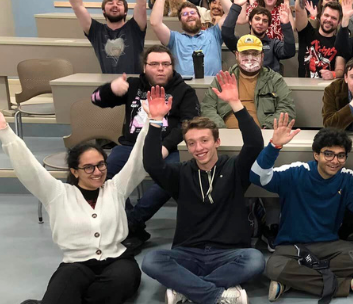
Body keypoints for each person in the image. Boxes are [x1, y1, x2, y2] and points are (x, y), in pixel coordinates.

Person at [141, 73, 265, 304]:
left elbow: (255, 144)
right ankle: (216, 294)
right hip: (188, 253)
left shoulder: (235, 169)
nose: (199, 148)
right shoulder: (180, 174)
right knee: (151, 261)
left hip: (229, 254)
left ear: (217, 142)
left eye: (204, 140)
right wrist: (156, 121)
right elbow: (152, 164)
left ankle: (187, 289)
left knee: (255, 260)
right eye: (191, 143)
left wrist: (235, 103)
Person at [0, 111, 147, 304]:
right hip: (76, 264)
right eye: (88, 167)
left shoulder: (116, 188)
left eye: (101, 165)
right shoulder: (57, 193)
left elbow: (138, 161)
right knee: (63, 290)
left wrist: (152, 122)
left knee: (120, 281)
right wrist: (5, 131)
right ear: (74, 172)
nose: (97, 172)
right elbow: (29, 168)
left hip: (118, 260)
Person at [250, 122, 353, 302]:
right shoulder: (296, 172)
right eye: (328, 154)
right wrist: (274, 146)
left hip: (330, 245)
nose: (335, 161)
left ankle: (292, 281)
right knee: (274, 267)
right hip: (292, 246)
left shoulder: (347, 177)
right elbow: (257, 177)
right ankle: (348, 285)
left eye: (340, 155)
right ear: (316, 154)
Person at [90, 45, 198, 249]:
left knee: (172, 177)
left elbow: (188, 124)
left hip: (167, 149)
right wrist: (110, 89)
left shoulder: (184, 91)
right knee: (104, 174)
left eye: (165, 64)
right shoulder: (132, 85)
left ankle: (131, 223)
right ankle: (129, 223)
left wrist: (165, 146)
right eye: (154, 64)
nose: (160, 68)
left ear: (172, 67)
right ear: (144, 67)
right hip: (130, 146)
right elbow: (95, 99)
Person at [56, 0, 147, 74]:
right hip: (109, 84)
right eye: (110, 3)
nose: (115, 5)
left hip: (136, 83)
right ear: (103, 10)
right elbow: (77, 6)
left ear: (125, 11)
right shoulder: (96, 31)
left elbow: (141, 4)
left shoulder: (135, 28)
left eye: (119, 3)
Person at [201, 35, 296, 129]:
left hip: (263, 133)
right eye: (245, 53)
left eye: (255, 53)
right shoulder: (223, 79)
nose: (250, 58)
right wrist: (220, 130)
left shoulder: (275, 80)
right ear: (237, 55)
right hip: (226, 133)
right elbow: (207, 107)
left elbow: (287, 108)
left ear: (262, 56)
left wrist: (267, 127)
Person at [151, 0, 233, 77]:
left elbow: (230, 13)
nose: (189, 15)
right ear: (180, 20)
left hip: (212, 85)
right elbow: (155, 23)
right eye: (185, 14)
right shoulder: (174, 39)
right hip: (183, 85)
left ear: (199, 17)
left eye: (192, 13)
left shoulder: (214, 34)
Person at [222, 0, 295, 73]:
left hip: (269, 80)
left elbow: (289, 52)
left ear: (268, 25)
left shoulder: (273, 44)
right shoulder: (242, 42)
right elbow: (226, 33)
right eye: (257, 19)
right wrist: (236, 6)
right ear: (250, 21)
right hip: (245, 79)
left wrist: (286, 24)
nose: (260, 23)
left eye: (265, 21)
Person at [295, 0, 341, 79]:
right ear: (320, 17)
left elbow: (341, 69)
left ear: (339, 21)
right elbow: (299, 8)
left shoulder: (339, 42)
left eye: (333, 18)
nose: (329, 19)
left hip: (329, 87)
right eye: (326, 15)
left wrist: (333, 74)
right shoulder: (307, 32)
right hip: (304, 85)